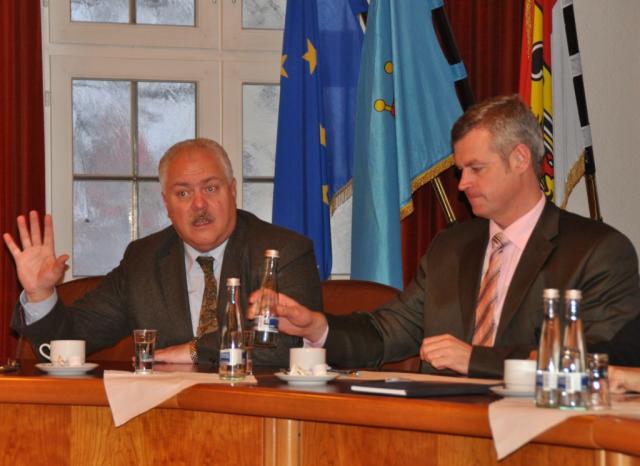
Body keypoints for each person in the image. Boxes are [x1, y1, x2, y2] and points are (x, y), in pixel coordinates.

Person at [249, 95, 640, 378]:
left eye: (475, 169)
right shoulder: (452, 246)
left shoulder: (597, 251)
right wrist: (316, 327)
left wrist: (475, 359)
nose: (462, 183)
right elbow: (388, 332)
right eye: (460, 170)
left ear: (520, 159)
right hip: (443, 431)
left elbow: (598, 360)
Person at [3, 138, 322, 366]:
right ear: (167, 204)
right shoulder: (142, 260)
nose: (199, 204)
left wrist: (195, 350)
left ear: (233, 190)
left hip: (259, 421)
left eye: (211, 188)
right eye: (183, 193)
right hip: (164, 424)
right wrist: (40, 294)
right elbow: (68, 343)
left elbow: (286, 346)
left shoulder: (282, 251)